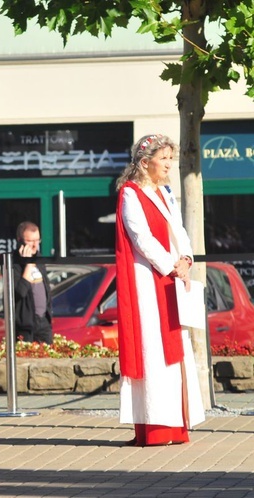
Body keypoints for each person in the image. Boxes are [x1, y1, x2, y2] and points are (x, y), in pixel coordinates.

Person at [115, 133, 205, 446]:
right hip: (147, 284)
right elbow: (141, 237)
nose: (169, 164)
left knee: (174, 351)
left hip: (169, 280)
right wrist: (170, 265)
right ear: (145, 162)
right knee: (153, 351)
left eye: (170, 157)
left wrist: (186, 258)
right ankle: (153, 428)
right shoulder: (131, 193)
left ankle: (175, 426)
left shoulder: (166, 192)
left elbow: (178, 230)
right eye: (163, 158)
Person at [13, 221, 53, 344]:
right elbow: (20, 292)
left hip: (43, 321)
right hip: (25, 325)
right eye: (30, 241)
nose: (35, 245)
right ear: (20, 240)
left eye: (37, 240)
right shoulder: (13, 263)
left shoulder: (39, 259)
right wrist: (28, 264)